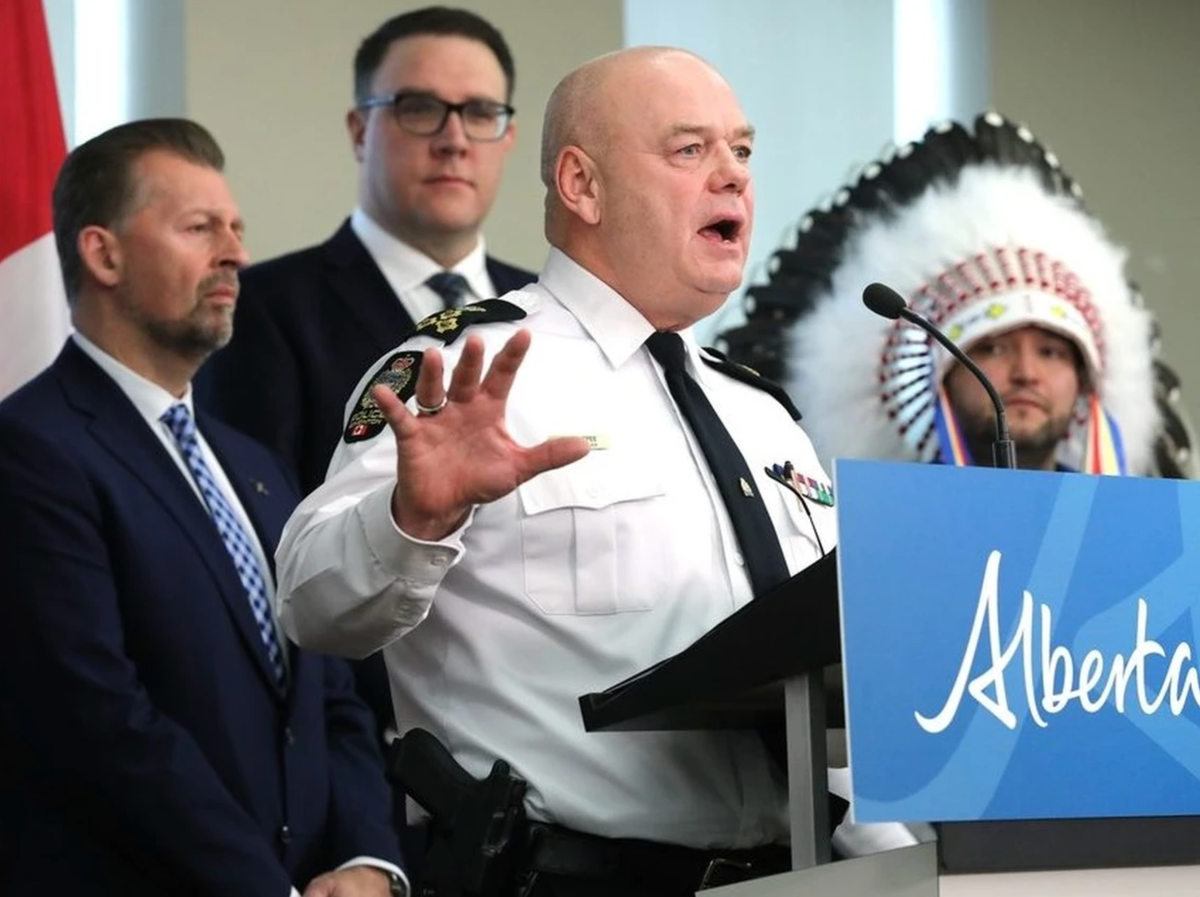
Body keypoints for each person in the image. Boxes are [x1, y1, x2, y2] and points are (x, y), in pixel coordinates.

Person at [275, 47, 837, 896]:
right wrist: (414, 517)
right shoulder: (468, 372)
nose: (733, 176)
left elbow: (827, 666)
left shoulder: (763, 414)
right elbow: (309, 604)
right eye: (690, 149)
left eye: (743, 150)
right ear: (582, 185)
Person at [0, 118, 408, 897]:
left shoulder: (253, 464)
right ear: (104, 254)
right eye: (199, 228)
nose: (236, 255)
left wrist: (368, 860)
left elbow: (331, 692)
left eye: (237, 229)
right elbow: (99, 723)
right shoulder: (29, 450)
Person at [716, 112, 1197, 478]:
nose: (1026, 373)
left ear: (1086, 381)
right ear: (938, 373)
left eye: (1051, 352)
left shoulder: (1133, 535)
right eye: (992, 348)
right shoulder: (880, 529)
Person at [196, 6, 536, 497]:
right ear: (360, 132)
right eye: (420, 108)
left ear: (508, 138)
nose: (454, 140)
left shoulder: (544, 305)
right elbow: (259, 516)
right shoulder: (262, 308)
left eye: (481, 113)